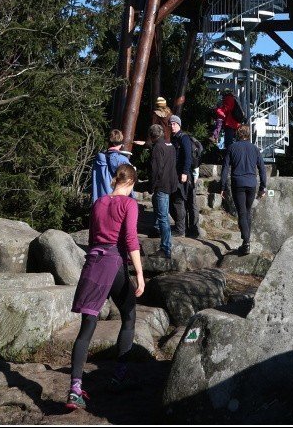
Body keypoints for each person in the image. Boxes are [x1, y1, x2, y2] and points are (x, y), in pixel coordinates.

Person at [67, 163, 145, 410]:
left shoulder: (99, 202)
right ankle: (119, 375)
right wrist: (140, 275)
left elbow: (92, 238)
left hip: (94, 263)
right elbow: (131, 240)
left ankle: (75, 390)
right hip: (114, 263)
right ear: (131, 183)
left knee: (86, 326)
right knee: (129, 314)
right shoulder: (129, 204)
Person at [221, 124, 267, 256]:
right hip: (252, 183)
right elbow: (262, 169)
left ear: (237, 134)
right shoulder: (255, 149)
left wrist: (222, 186)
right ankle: (246, 242)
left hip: (238, 183)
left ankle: (246, 242)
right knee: (247, 212)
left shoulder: (232, 148)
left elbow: (225, 169)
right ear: (248, 134)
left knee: (242, 212)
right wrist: (263, 187)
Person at [147, 124, 177, 259]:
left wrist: (151, 186)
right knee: (159, 210)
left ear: (152, 136)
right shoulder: (169, 145)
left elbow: (155, 170)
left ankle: (166, 248)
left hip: (162, 185)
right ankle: (157, 230)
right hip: (171, 183)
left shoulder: (157, 148)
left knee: (163, 217)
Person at [168, 114, 199, 238]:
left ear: (179, 125)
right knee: (178, 201)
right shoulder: (174, 138)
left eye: (174, 124)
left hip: (183, 174)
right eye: (170, 124)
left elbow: (188, 156)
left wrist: (185, 172)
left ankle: (182, 230)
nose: (172, 126)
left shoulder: (183, 137)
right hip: (177, 173)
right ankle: (184, 228)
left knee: (179, 200)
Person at [91, 130, 131, 203]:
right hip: (115, 202)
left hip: (99, 201)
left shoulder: (99, 157)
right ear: (120, 144)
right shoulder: (123, 160)